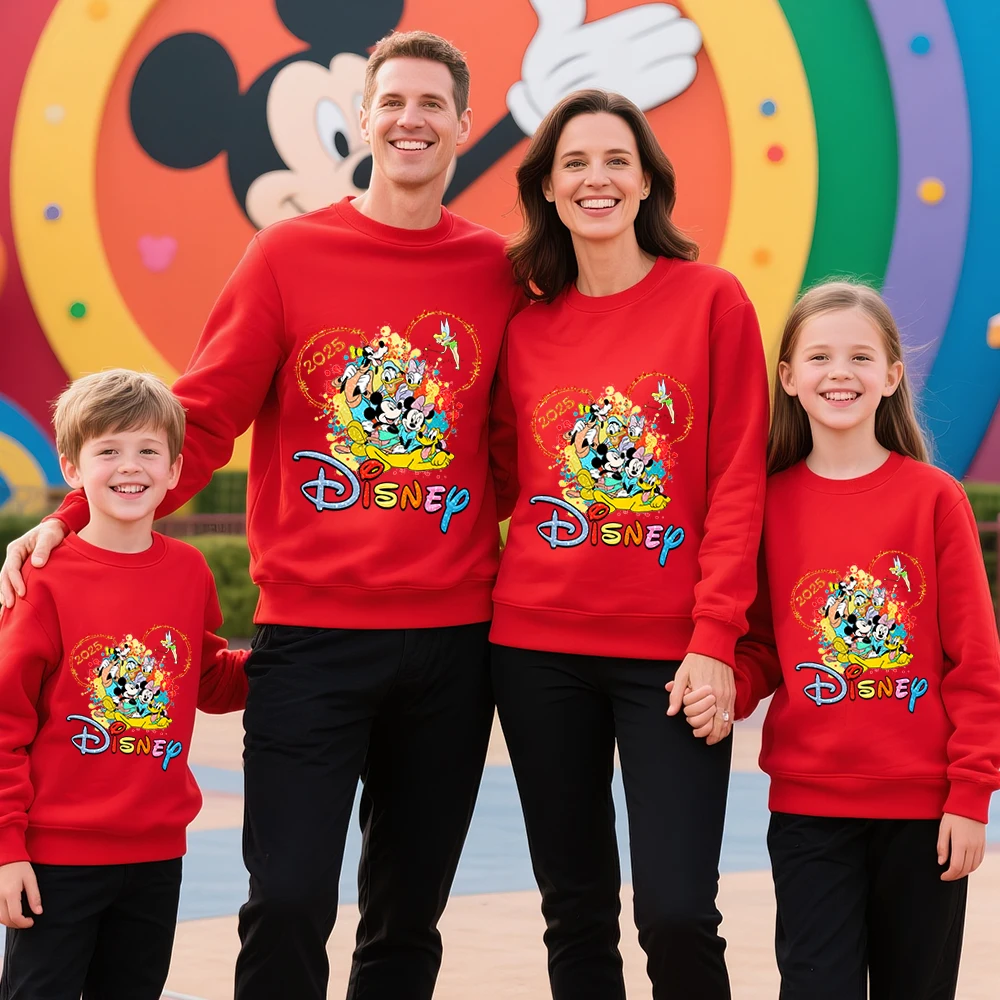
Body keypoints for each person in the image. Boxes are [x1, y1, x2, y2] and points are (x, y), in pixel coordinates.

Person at [0, 32, 523, 1000]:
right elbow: (199, 419)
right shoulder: (289, 253)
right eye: (392, 101)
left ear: (462, 125)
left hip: (453, 643)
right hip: (312, 640)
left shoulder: (498, 269)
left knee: (407, 913)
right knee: (285, 899)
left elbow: (517, 452)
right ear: (363, 118)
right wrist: (73, 517)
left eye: (431, 104)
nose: (409, 119)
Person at [489, 90, 768, 999]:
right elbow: (492, 478)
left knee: (678, 913)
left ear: (648, 181)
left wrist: (716, 638)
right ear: (548, 187)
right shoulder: (525, 328)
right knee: (574, 910)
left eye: (617, 160)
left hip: (674, 655)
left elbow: (737, 482)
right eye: (574, 163)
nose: (596, 178)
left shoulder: (713, 301)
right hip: (536, 649)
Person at [683, 281, 1000, 999]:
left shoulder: (935, 499)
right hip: (809, 814)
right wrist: (727, 690)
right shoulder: (767, 503)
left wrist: (970, 797)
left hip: (925, 816)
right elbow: (765, 645)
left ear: (891, 377)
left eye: (861, 357)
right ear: (788, 378)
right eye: (819, 356)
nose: (840, 373)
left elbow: (975, 663)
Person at [0, 369, 247, 1000]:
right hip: (55, 860)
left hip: (155, 858)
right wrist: (7, 849)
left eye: (147, 450)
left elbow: (208, 679)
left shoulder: (189, 571)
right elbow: (5, 724)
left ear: (175, 468)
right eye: (107, 450)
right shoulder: (41, 581)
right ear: (72, 468)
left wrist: (299, 655)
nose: (129, 466)